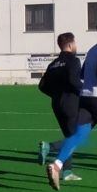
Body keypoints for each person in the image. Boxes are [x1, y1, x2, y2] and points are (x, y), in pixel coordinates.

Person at [45, 19, 97, 191]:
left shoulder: (92, 51)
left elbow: (83, 74)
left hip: (86, 98)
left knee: (78, 135)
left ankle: (57, 165)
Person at [36, 33, 82, 183]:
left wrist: (55, 95)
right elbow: (74, 81)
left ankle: (67, 172)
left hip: (57, 103)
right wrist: (84, 93)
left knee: (69, 135)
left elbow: (41, 86)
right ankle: (49, 147)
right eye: (74, 43)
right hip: (71, 102)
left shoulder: (53, 64)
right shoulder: (74, 61)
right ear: (70, 44)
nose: (76, 45)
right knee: (76, 138)